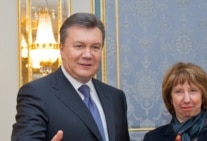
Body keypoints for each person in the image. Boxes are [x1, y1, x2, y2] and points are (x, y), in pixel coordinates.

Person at [11, 13, 130, 141]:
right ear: (61, 49)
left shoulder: (115, 97)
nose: (88, 55)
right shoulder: (36, 94)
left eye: (95, 47)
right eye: (79, 46)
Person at [143, 62, 207, 141]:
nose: (187, 99)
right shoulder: (152, 138)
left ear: (203, 95)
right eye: (179, 92)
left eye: (193, 91)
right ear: (170, 98)